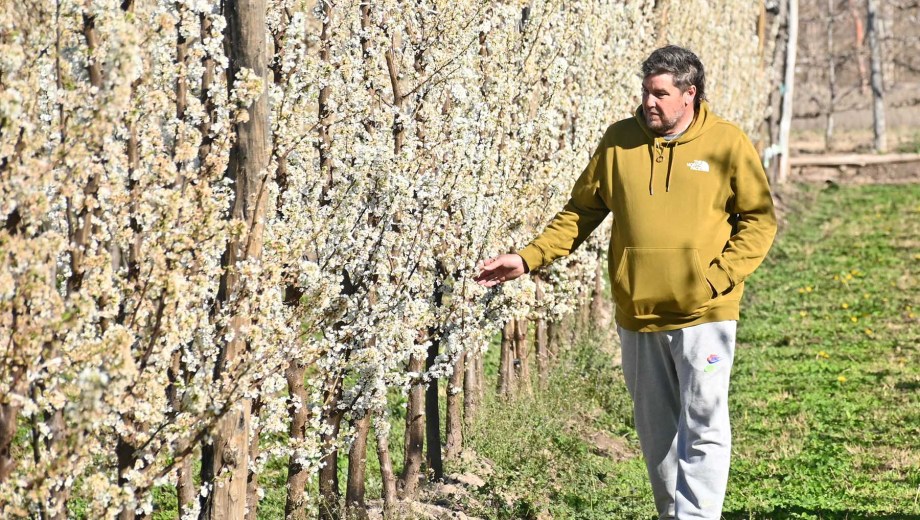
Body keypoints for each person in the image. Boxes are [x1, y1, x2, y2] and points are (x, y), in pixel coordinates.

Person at [474, 45, 777, 519]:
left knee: (705, 424)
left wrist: (717, 279)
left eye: (661, 93)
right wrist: (527, 258)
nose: (650, 102)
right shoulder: (619, 141)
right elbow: (582, 212)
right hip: (638, 313)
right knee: (657, 434)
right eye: (646, 91)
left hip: (705, 313)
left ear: (689, 94)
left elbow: (758, 220)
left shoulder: (726, 143)